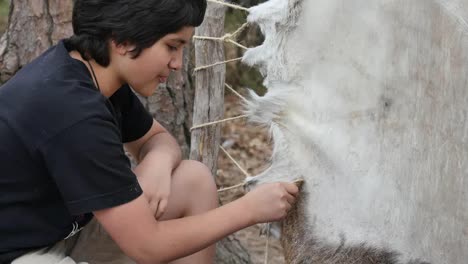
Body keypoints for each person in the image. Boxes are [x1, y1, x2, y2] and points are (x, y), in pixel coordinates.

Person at [0, 0, 299, 263]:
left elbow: (157, 139)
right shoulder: (72, 112)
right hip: (19, 254)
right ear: (122, 39)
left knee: (192, 180)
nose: (178, 64)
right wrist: (249, 210)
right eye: (172, 46)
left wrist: (157, 162)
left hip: (66, 232)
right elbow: (148, 246)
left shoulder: (93, 72)